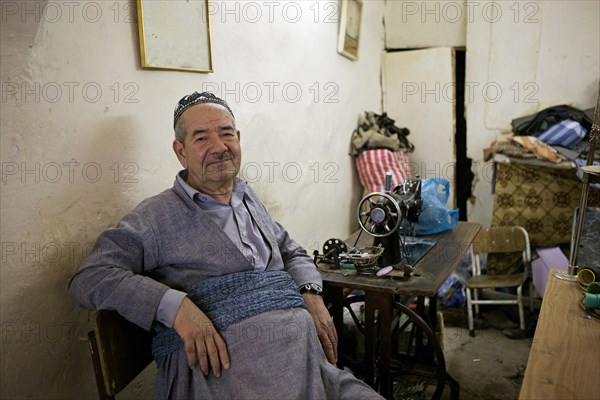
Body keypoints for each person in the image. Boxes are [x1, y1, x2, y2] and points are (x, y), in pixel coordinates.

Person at [69, 92, 384, 399]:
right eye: (202, 138)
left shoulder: (248, 199)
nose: (219, 147)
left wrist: (311, 294)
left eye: (226, 134)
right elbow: (90, 277)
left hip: (312, 370)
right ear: (181, 152)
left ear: (238, 138)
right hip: (234, 384)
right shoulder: (155, 217)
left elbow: (292, 252)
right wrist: (176, 308)